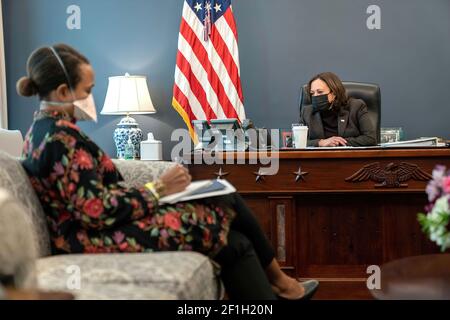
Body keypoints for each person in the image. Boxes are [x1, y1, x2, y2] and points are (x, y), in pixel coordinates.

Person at [18, 44, 318, 300]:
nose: (91, 97)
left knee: (228, 218)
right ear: (62, 91)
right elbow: (96, 210)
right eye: (88, 90)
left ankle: (282, 288)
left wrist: (159, 192)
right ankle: (284, 286)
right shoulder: (59, 140)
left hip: (103, 225)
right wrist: (158, 189)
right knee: (220, 223)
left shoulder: (49, 131)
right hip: (89, 238)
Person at [300, 72, 377, 147]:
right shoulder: (307, 112)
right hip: (318, 159)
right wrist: (320, 143)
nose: (315, 96)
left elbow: (370, 138)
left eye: (320, 92)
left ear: (334, 93)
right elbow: (294, 141)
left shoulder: (356, 107)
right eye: (312, 93)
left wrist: (336, 142)